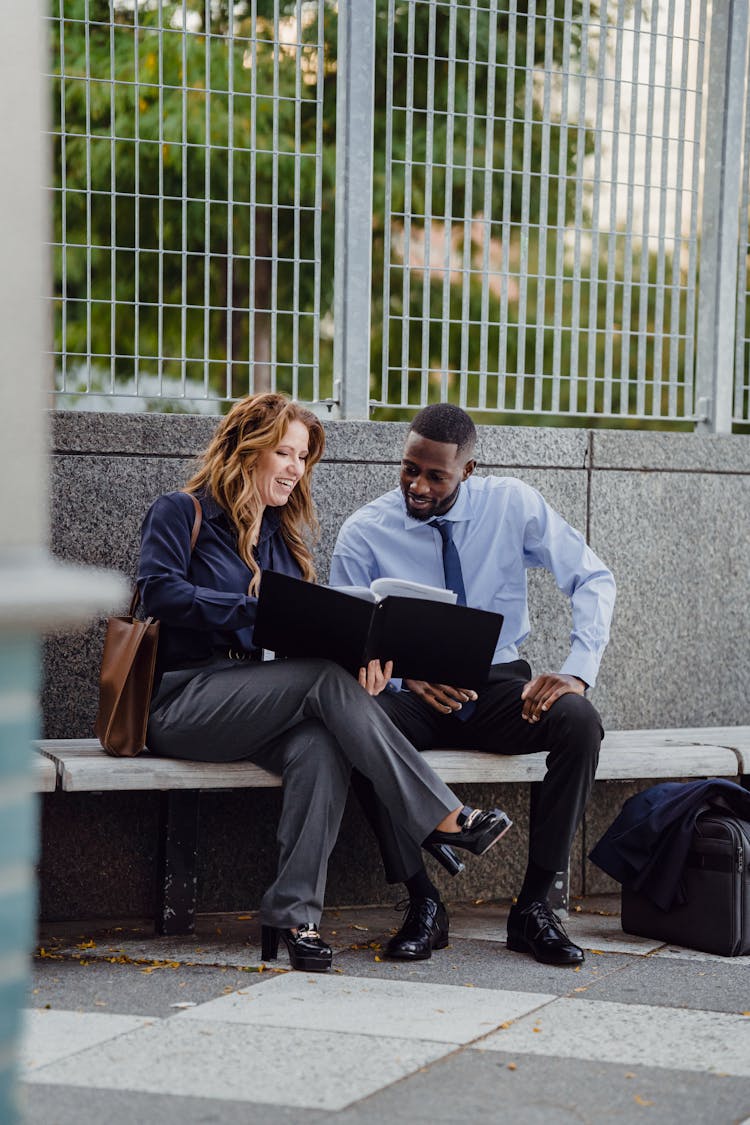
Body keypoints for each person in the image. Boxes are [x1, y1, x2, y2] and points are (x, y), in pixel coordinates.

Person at [137, 392, 511, 973]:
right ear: (247, 449)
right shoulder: (182, 511)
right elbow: (158, 592)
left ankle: (294, 916)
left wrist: (366, 655)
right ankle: (443, 817)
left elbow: (297, 645)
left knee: (321, 744)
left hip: (256, 699)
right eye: (283, 452)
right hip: (184, 701)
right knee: (319, 682)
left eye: (303, 457)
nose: (294, 468)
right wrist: (250, 607)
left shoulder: (284, 541)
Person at [330, 403, 616, 966]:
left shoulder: (512, 504)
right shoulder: (365, 530)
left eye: (436, 475)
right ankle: (423, 902)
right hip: (408, 694)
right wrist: (403, 677)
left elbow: (592, 576)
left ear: (469, 469)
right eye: (410, 468)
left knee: (580, 721)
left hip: (499, 687)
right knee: (352, 724)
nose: (418, 484)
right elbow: (345, 637)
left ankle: (534, 908)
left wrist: (577, 671)